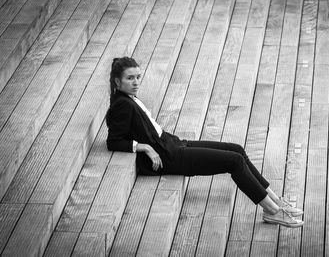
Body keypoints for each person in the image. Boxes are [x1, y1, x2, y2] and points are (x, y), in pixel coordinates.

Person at [106, 57, 304, 228]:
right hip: (170, 157)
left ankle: (277, 201)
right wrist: (145, 147)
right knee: (233, 161)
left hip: (173, 144)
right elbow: (113, 141)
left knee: (236, 149)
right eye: (130, 78)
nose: (136, 82)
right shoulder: (121, 105)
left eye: (138, 77)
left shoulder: (128, 98)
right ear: (117, 81)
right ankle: (271, 210)